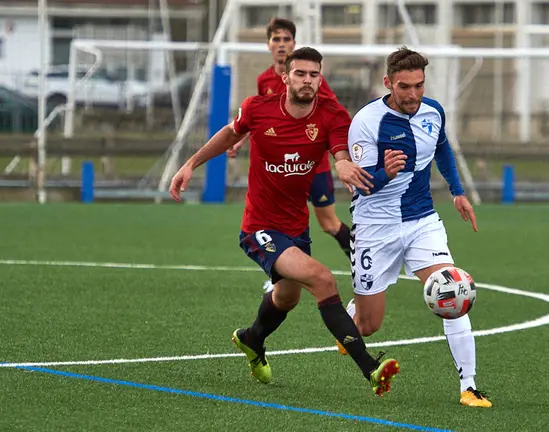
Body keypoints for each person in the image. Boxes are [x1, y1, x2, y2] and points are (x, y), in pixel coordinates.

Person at [169, 47, 400, 396]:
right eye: (300, 74)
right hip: (259, 227)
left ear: (320, 79)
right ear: (285, 77)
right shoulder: (258, 108)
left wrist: (341, 162)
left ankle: (250, 339)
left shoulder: (331, 114)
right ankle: (370, 368)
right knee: (323, 280)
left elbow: (340, 149)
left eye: (314, 75)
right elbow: (231, 133)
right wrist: (191, 163)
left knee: (286, 299)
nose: (307, 81)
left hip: (295, 229)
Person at [337, 47, 491, 407]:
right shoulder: (366, 122)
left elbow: (442, 149)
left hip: (422, 221)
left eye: (419, 86)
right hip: (375, 227)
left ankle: (468, 386)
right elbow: (360, 184)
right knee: (366, 326)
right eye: (404, 86)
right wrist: (385, 173)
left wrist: (457, 192)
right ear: (388, 82)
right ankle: (346, 318)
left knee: (453, 296)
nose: (413, 95)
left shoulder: (433, 111)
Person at [227, 18, 352, 291]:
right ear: (268, 44)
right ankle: (282, 273)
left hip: (312, 166)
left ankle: (363, 263)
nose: (281, 45)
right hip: (280, 169)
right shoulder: (264, 80)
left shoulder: (310, 79)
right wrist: (238, 141)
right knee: (276, 220)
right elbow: (260, 120)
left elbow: (330, 113)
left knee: (328, 222)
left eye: (287, 40)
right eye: (276, 39)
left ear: (294, 44)